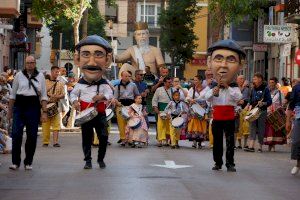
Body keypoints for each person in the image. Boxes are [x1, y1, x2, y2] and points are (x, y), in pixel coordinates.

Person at [70, 35, 114, 169]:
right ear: (77, 59)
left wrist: (102, 97)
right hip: (86, 117)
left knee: (103, 137)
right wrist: (74, 102)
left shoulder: (104, 83)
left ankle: (101, 159)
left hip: (100, 115)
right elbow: (73, 94)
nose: (92, 62)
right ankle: (88, 160)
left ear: (107, 60)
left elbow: (110, 93)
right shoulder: (80, 84)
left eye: (98, 55)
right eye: (85, 55)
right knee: (86, 139)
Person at [205, 39, 244, 172]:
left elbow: (238, 98)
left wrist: (227, 87)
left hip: (229, 117)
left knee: (230, 142)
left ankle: (230, 163)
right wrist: (214, 91)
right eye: (218, 59)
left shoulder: (234, 87)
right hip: (217, 118)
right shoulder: (213, 87)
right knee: (217, 142)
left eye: (231, 60)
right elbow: (206, 99)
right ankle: (217, 162)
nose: (223, 66)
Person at [8, 55, 48, 170]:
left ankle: (28, 162)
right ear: (25, 64)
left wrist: (44, 112)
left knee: (32, 136)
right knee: (16, 134)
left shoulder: (40, 76)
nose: (30, 65)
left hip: (33, 106)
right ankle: (15, 162)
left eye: (32, 62)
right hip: (20, 105)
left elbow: (44, 96)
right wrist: (10, 111)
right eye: (28, 63)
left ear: (35, 63)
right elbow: (12, 95)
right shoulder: (18, 76)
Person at [244, 73, 272, 153]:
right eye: (253, 79)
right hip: (253, 110)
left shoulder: (265, 89)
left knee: (261, 128)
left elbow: (270, 101)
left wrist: (263, 103)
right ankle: (251, 146)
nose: (253, 80)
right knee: (252, 127)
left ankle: (260, 146)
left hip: (262, 111)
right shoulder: (253, 89)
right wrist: (248, 105)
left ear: (260, 79)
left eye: (255, 79)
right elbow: (250, 99)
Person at [114, 71, 140, 146]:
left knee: (131, 123)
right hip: (121, 106)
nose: (128, 77)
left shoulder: (133, 85)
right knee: (121, 123)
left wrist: (136, 106)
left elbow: (137, 95)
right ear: (122, 76)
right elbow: (115, 97)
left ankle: (130, 139)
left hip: (130, 106)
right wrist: (117, 102)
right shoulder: (117, 86)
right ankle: (123, 139)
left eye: (129, 76)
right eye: (126, 76)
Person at [42, 66, 65, 147]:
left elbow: (63, 95)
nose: (57, 73)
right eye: (56, 72)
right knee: (45, 125)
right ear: (51, 72)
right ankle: (45, 142)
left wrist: (57, 97)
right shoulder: (45, 82)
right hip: (46, 105)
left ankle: (55, 142)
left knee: (56, 125)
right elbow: (41, 92)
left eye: (58, 72)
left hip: (55, 105)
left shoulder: (60, 83)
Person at [263, 77, 286, 151]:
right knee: (268, 129)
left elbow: (282, 102)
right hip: (268, 112)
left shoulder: (279, 92)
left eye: (272, 82)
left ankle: (273, 145)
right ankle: (269, 145)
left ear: (276, 83)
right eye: (270, 82)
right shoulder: (267, 91)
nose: (271, 84)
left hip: (275, 112)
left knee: (275, 129)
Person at [186, 75, 208, 148]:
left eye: (196, 80)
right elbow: (187, 97)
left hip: (202, 109)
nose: (194, 81)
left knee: (202, 124)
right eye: (194, 80)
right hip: (194, 109)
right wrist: (190, 100)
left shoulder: (206, 89)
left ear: (201, 81)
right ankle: (194, 141)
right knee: (194, 123)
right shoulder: (192, 89)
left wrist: (198, 100)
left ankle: (201, 141)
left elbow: (208, 98)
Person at [152, 76, 173, 147]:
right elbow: (154, 99)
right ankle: (160, 141)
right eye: (169, 82)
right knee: (160, 126)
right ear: (164, 82)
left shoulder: (173, 90)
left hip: (170, 111)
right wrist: (155, 108)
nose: (170, 83)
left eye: (171, 82)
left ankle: (167, 140)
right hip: (161, 110)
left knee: (169, 126)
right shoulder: (159, 89)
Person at [286, 79, 300, 175]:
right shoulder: (296, 88)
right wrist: (287, 121)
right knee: (296, 141)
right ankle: (298, 165)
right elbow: (291, 105)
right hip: (299, 117)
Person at [236, 75, 250, 149]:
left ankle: (245, 143)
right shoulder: (235, 88)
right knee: (238, 127)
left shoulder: (247, 89)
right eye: (240, 79)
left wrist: (246, 102)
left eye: (243, 79)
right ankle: (239, 144)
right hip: (237, 109)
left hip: (245, 108)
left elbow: (248, 98)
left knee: (246, 126)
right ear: (237, 80)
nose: (242, 80)